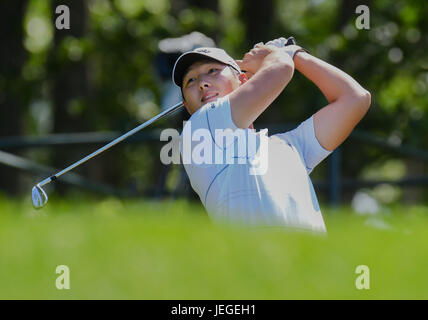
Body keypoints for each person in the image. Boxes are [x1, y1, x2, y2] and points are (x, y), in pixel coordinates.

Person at [172, 37, 371, 232]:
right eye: (190, 80)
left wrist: (296, 54)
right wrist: (276, 55)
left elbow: (355, 98)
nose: (202, 83)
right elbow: (280, 70)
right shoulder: (199, 130)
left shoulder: (292, 146)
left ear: (242, 80)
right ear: (187, 107)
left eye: (212, 71)